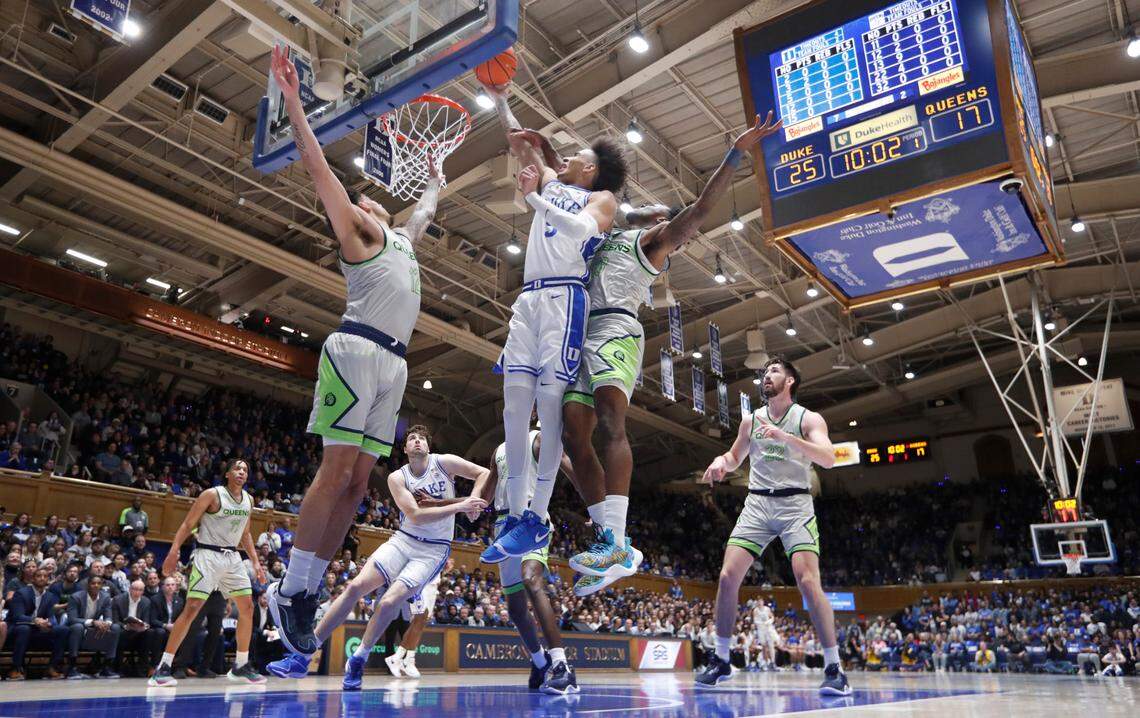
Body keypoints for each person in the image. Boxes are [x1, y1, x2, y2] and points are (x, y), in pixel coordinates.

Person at [266, 46, 444, 657]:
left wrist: (438, 181)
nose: (370, 199)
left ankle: (309, 587)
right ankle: (290, 588)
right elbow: (318, 170)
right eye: (364, 198)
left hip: (394, 365)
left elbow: (421, 214)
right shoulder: (359, 232)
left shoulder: (403, 242)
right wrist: (293, 100)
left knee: (359, 481)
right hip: (355, 350)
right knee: (335, 471)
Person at [562, 113, 781, 595]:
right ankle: (608, 541)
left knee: (610, 425)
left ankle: (616, 537)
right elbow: (614, 206)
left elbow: (699, 210)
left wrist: (736, 152)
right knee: (572, 438)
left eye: (667, 223)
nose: (664, 222)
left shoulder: (648, 245)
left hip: (616, 329)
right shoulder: (600, 231)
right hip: (574, 334)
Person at [477, 75, 626, 564]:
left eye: (580, 157)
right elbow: (523, 143)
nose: (570, 159)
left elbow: (583, 229)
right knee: (514, 410)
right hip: (529, 299)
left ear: (592, 170)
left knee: (549, 405)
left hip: (565, 298)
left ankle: (538, 517)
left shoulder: (599, 200)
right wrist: (499, 98)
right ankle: (517, 516)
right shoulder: (552, 178)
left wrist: (537, 200)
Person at [268, 426, 487, 691]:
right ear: (405, 449)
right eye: (411, 439)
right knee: (354, 587)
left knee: (388, 602)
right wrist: (462, 506)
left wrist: (475, 501)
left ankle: (358, 659)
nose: (417, 441)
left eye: (421, 439)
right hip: (404, 539)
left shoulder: (444, 462)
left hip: (433, 550)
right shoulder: (397, 477)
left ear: (428, 447)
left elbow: (483, 473)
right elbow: (415, 515)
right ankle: (302, 656)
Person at [695, 357, 849, 696]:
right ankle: (721, 660)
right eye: (765, 373)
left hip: (795, 504)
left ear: (790, 381)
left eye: (774, 372)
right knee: (726, 576)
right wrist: (720, 464)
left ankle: (834, 667)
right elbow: (735, 458)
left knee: (808, 582)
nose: (767, 376)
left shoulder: (808, 418)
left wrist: (785, 436)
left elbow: (827, 457)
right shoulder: (750, 421)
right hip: (758, 503)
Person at [149, 459, 265, 686]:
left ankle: (241, 665)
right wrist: (173, 552)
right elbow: (187, 525)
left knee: (247, 607)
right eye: (237, 469)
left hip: (232, 557)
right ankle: (163, 667)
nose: (242, 472)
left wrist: (256, 562)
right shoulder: (212, 494)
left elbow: (246, 534)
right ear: (227, 474)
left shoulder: (249, 500)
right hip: (207, 555)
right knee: (191, 608)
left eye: (245, 470)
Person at [480, 430, 580, 694]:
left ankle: (562, 667)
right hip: (503, 525)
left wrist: (597, 509)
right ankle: (539, 660)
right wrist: (448, 503)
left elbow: (570, 468)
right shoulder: (499, 449)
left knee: (531, 579)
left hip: (532, 518)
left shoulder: (538, 438)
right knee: (515, 609)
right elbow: (484, 496)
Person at [6, 567, 68, 680]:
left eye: (45, 576)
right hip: (17, 628)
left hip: (38, 629)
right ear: (33, 579)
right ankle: (16, 668)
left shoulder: (50, 596)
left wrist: (47, 624)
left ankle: (52, 667)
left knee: (62, 630)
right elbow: (17, 616)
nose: (42, 578)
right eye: (39, 576)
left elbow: (50, 616)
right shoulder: (21, 593)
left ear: (48, 580)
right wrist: (34, 621)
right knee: (24, 629)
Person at [65, 575, 120, 678]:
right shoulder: (76, 597)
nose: (96, 586)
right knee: (78, 627)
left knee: (115, 627)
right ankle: (71, 667)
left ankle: (107, 666)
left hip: (95, 627)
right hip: (78, 626)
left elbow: (109, 617)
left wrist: (106, 624)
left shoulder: (105, 597)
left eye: (98, 583)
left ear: (102, 585)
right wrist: (93, 622)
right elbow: (72, 619)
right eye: (93, 583)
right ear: (88, 585)